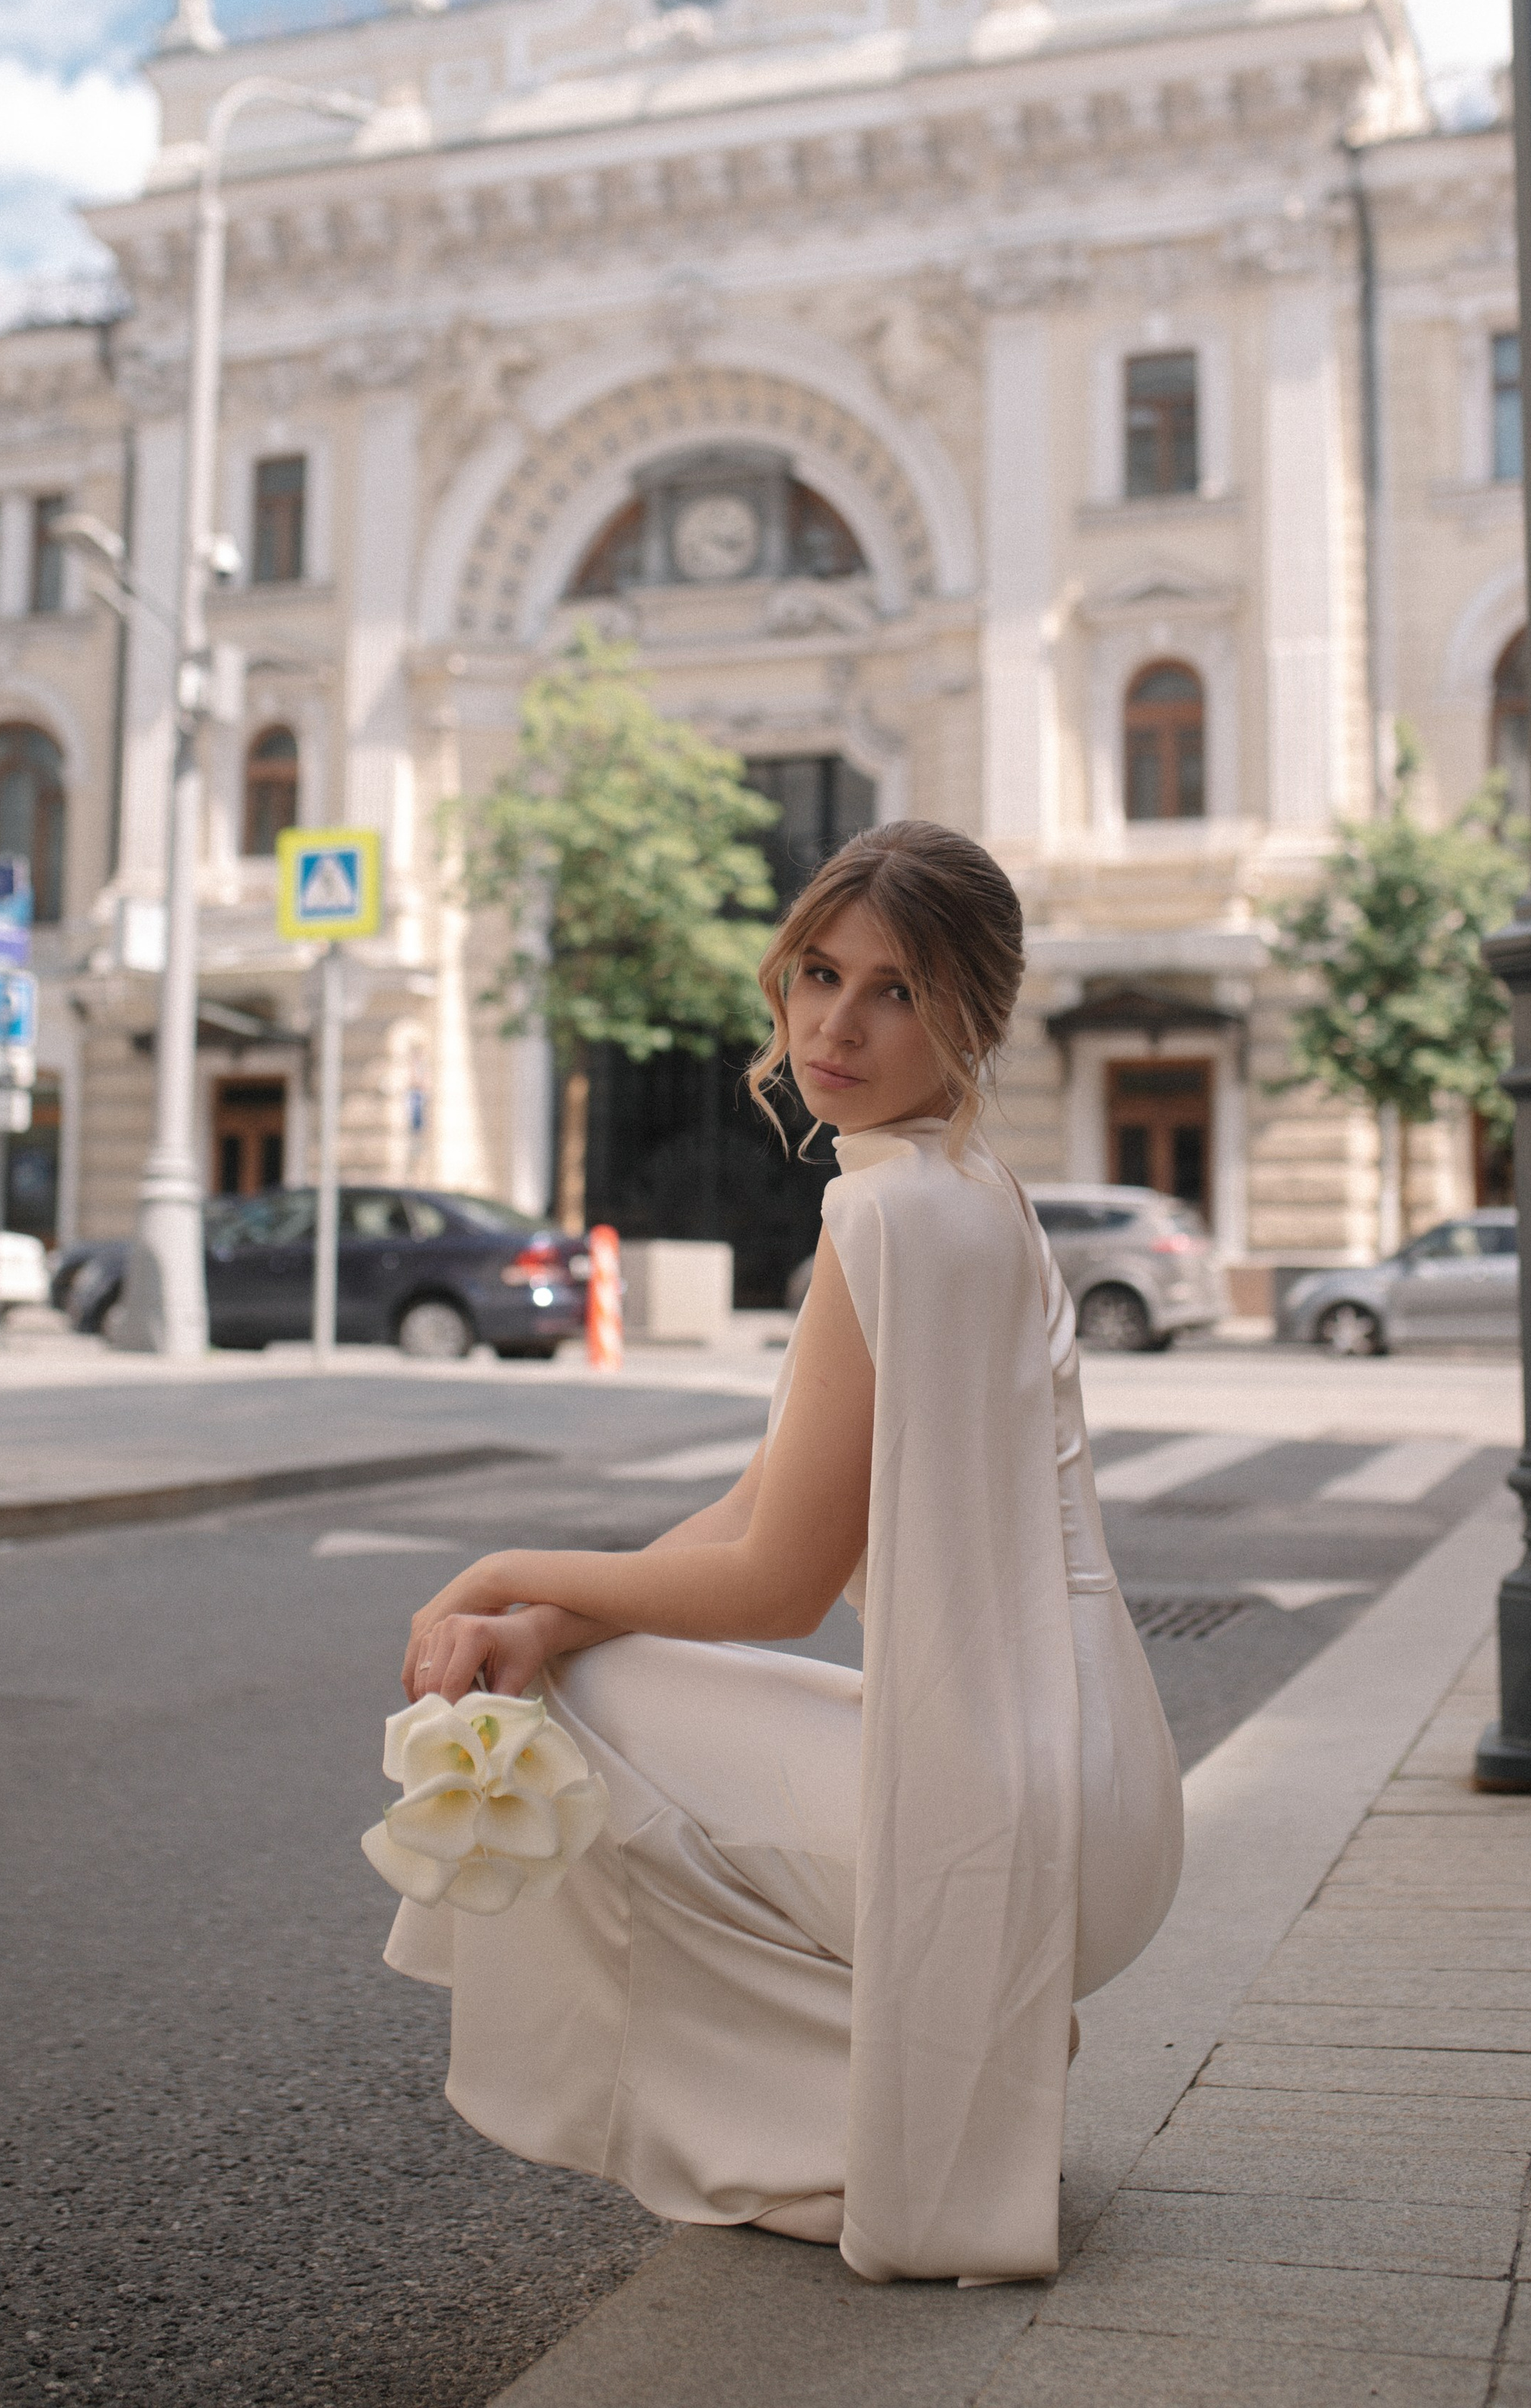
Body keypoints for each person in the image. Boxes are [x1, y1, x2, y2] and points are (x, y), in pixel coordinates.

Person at [383, 820, 1182, 2283]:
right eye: (821, 972)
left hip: (1020, 1809)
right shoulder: (968, 1191)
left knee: (559, 1722)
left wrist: (512, 1575)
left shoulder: (881, 1215)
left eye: (897, 990)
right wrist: (557, 1607)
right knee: (578, 1665)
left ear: (976, 1019)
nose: (837, 1021)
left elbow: (774, 1587)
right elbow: (765, 1504)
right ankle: (947, 2065)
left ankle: (848, 2125)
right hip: (1099, 1780)